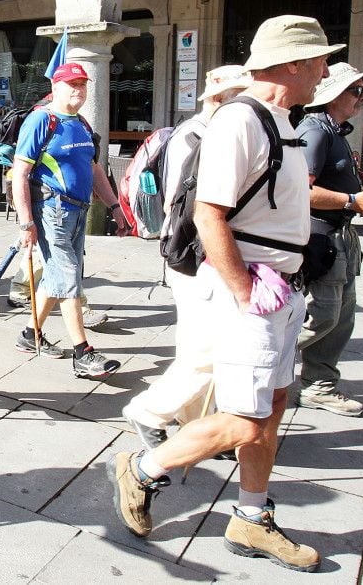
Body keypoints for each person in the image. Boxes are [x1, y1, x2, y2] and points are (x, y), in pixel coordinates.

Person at [108, 15, 341, 573]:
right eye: (319, 61)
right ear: (291, 64)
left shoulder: (282, 120)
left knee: (273, 407)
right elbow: (208, 213)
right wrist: (244, 289)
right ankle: (141, 469)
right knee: (243, 420)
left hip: (279, 285)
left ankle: (251, 517)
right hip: (251, 288)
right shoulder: (242, 120)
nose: (325, 72)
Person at [121, 65, 252, 449]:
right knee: (209, 345)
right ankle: (151, 410)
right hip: (196, 252)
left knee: (200, 342)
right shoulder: (194, 137)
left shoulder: (217, 134)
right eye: (239, 95)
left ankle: (195, 422)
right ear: (217, 98)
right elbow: (189, 204)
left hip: (206, 251)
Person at [10, 62, 126, 379]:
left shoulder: (82, 124)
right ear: (56, 87)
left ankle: (29, 333)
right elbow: (20, 173)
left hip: (78, 211)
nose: (78, 90)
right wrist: (25, 223)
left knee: (56, 277)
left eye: (82, 84)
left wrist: (115, 206)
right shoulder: (41, 120)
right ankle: (82, 353)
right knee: (68, 276)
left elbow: (94, 169)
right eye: (71, 84)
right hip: (51, 210)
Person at [296, 62, 363, 416]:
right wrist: (353, 201)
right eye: (357, 90)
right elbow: (299, 191)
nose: (362, 98)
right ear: (334, 94)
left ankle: (318, 384)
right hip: (320, 236)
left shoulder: (335, 131)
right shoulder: (315, 131)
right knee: (324, 315)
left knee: (341, 317)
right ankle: (256, 362)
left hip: (340, 234)